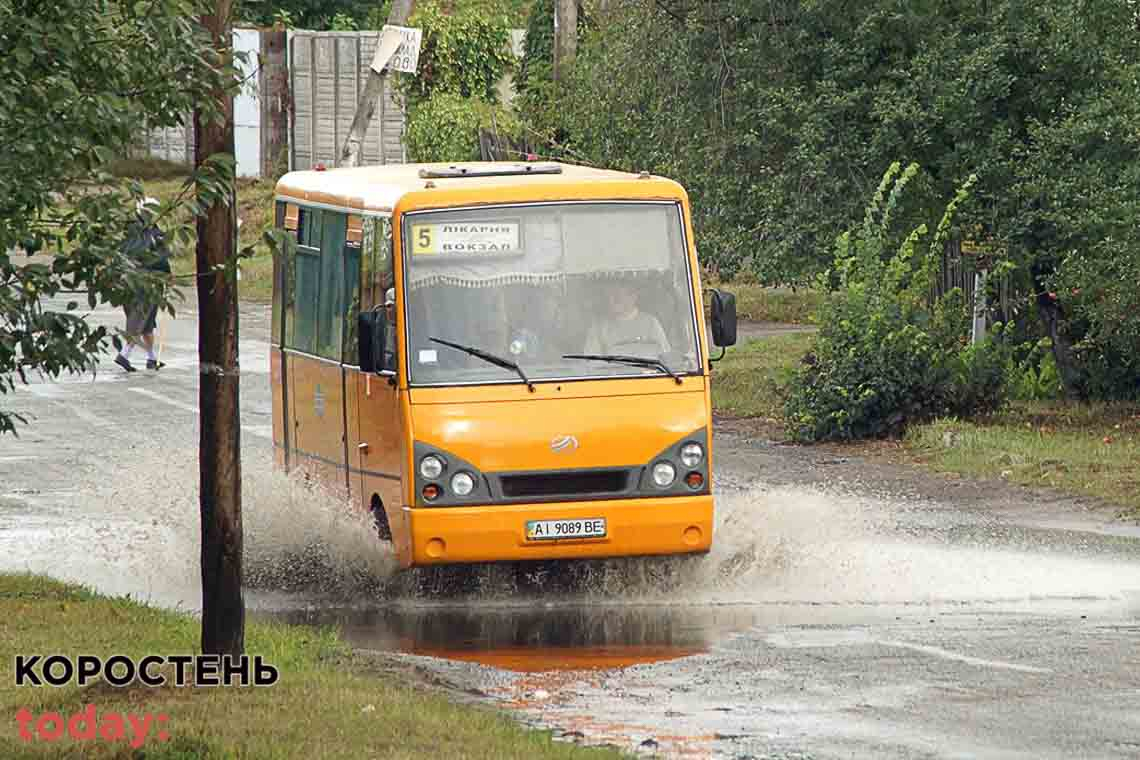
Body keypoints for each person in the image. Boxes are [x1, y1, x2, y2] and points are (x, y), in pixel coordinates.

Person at [114, 198, 172, 372]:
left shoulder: (129, 231)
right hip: (146, 282)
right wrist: (167, 276)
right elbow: (161, 261)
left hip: (127, 281)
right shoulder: (153, 234)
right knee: (139, 321)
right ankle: (124, 355)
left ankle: (151, 359)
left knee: (146, 324)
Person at [583, 280, 670, 358]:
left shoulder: (651, 323)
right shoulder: (599, 327)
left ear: (633, 297)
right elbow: (592, 362)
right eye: (608, 296)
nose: (611, 301)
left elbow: (665, 356)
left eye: (617, 296)